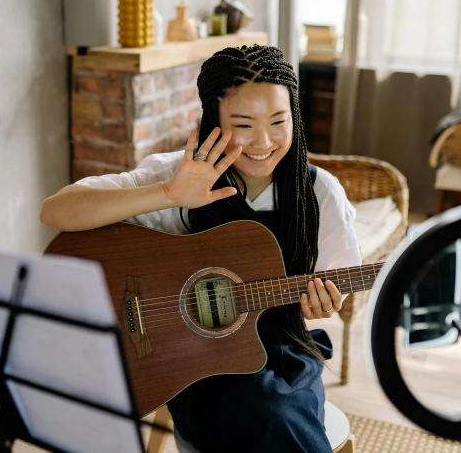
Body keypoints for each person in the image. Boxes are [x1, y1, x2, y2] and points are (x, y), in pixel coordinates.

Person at [40, 44, 362, 453]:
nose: (263, 142)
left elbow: (337, 282)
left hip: (284, 350)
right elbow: (56, 211)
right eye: (243, 124)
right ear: (214, 120)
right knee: (269, 418)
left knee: (282, 416)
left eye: (279, 121)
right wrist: (167, 193)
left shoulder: (319, 192)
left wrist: (325, 306)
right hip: (193, 359)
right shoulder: (178, 173)